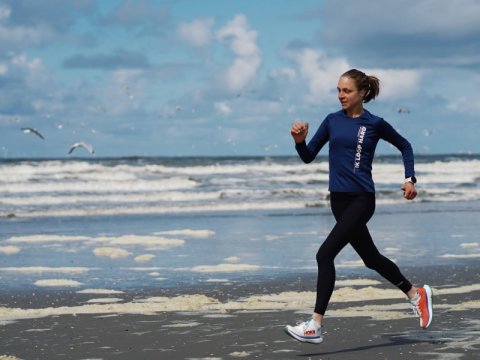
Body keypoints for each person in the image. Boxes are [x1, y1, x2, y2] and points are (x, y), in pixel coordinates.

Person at [284, 69, 433, 344]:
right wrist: (299, 142)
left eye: (347, 90)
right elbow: (308, 157)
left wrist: (410, 178)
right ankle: (415, 293)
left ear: (362, 93)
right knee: (371, 259)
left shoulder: (374, 124)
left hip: (362, 199)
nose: (341, 95)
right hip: (338, 201)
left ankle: (315, 324)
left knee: (324, 255)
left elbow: (405, 145)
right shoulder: (331, 121)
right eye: (339, 90)